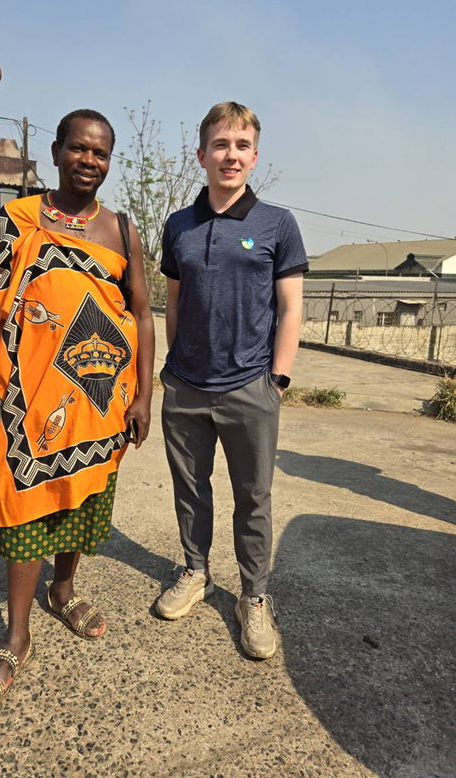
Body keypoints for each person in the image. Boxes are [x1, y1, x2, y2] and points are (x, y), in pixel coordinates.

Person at [0, 109, 155, 711]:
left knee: (82, 498)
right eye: (79, 149)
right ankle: (16, 638)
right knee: (22, 505)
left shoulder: (122, 230)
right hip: (31, 396)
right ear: (59, 151)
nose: (89, 161)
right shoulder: (18, 218)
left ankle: (62, 592)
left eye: (101, 153)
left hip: (98, 397)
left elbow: (141, 314)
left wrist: (144, 394)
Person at [156, 102, 308, 659]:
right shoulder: (178, 226)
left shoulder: (278, 225)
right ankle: (196, 571)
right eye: (220, 145)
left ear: (255, 156)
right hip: (187, 386)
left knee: (254, 497)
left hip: (251, 387)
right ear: (202, 154)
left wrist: (279, 379)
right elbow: (172, 302)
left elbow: (291, 308)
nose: (231, 155)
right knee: (191, 490)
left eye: (242, 146)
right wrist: (176, 368)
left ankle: (254, 597)